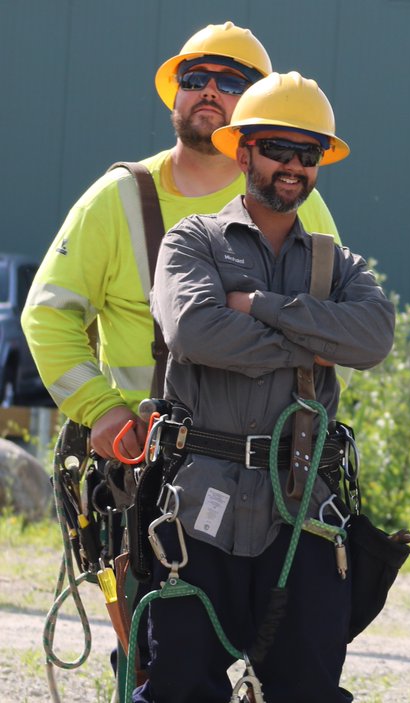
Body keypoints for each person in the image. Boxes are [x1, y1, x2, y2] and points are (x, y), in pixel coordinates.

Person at [138, 71, 394, 702]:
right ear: (242, 150)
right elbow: (196, 332)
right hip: (199, 507)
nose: (294, 166)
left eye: (309, 154)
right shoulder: (191, 241)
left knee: (306, 689)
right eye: (279, 148)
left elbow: (372, 340)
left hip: (303, 509)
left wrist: (258, 306)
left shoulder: (342, 265)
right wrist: (312, 342)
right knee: (178, 688)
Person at [21, 21, 340, 462]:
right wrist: (101, 409)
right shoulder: (118, 199)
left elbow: (338, 326)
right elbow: (48, 315)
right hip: (146, 458)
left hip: (267, 465)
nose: (209, 90)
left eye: (230, 82)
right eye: (194, 78)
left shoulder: (299, 201)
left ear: (256, 109)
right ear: (176, 93)